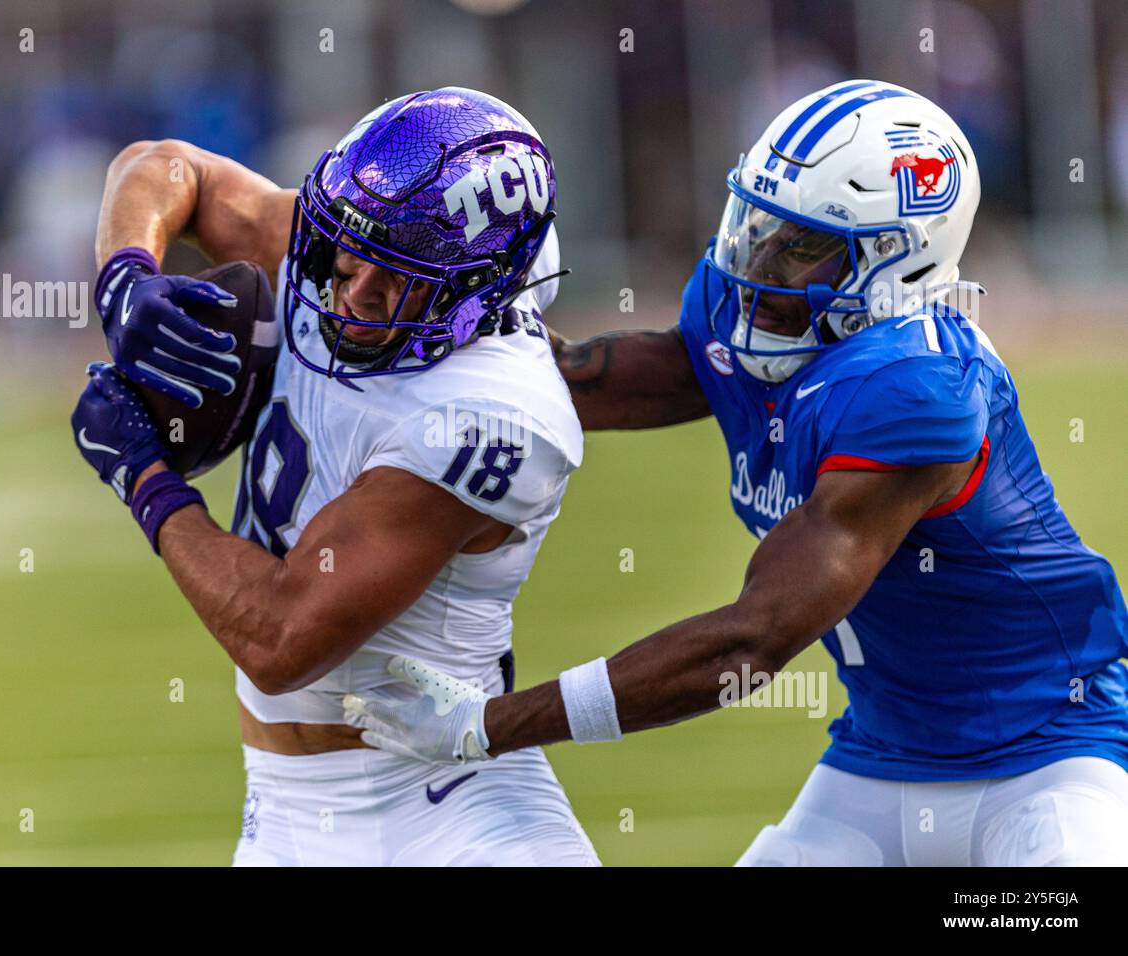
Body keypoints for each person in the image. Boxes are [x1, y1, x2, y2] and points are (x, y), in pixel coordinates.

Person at [345, 80, 1128, 867]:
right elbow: (627, 375)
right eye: (760, 222)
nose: (758, 260)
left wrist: (491, 724)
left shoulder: (914, 389)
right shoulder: (760, 316)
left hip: (1051, 757)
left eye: (799, 244)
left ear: (896, 261)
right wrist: (459, 325)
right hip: (882, 759)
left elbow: (751, 642)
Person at [70, 88, 598, 866]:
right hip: (282, 811)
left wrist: (144, 476)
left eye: (395, 278)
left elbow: (282, 638)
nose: (351, 292)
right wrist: (125, 276)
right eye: (351, 256)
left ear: (472, 292)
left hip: (455, 813)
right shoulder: (350, 247)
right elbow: (161, 166)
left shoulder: (490, 411)